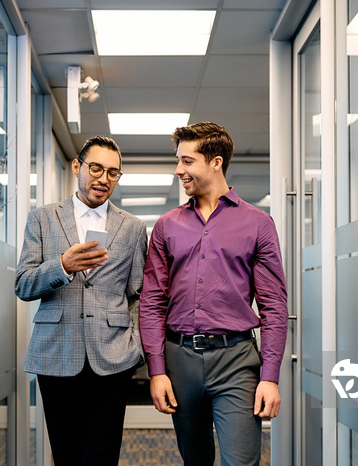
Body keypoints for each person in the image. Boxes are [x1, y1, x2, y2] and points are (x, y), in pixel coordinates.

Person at [139, 122, 288, 465]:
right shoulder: (166, 226)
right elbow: (152, 303)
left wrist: (270, 377)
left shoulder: (258, 223)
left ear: (215, 162)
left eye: (187, 161)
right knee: (195, 458)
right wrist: (157, 370)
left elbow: (274, 307)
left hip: (236, 359)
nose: (179, 170)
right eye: (179, 161)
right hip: (179, 359)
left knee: (240, 460)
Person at [15, 136, 147, 465]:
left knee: (103, 456)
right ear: (78, 167)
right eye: (96, 168)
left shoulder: (133, 228)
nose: (104, 178)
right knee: (66, 454)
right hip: (56, 355)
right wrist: (62, 266)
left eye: (113, 172)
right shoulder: (42, 218)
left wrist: (135, 344)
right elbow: (23, 284)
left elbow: (139, 295)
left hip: (113, 358)